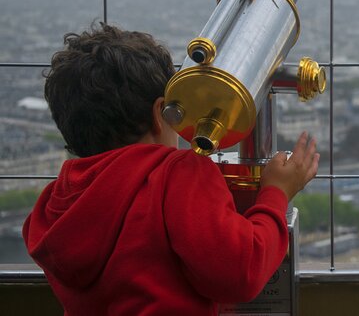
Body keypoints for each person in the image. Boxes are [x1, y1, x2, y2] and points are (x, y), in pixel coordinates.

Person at [22, 23, 319, 315]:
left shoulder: (55, 203)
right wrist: (275, 194)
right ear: (159, 113)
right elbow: (242, 272)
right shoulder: (177, 174)